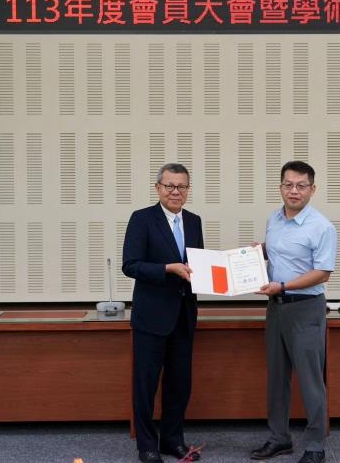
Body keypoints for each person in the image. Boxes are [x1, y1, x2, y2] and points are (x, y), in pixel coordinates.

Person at [250, 161, 337, 463]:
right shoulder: (274, 219)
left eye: (301, 185)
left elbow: (323, 273)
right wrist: (259, 251)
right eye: (288, 185)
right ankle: (279, 439)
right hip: (276, 308)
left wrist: (283, 286)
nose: (294, 191)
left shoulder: (322, 227)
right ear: (280, 187)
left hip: (306, 309)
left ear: (312, 189)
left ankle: (315, 446)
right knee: (277, 378)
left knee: (311, 380)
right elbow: (280, 250)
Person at [122, 163, 204, 463]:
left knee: (179, 384)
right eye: (169, 186)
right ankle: (147, 445)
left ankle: (172, 440)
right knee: (145, 385)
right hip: (151, 317)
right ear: (158, 188)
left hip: (184, 316)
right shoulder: (142, 219)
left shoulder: (194, 221)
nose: (175, 192)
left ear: (188, 190)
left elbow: (198, 265)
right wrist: (167, 269)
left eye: (181, 186)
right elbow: (131, 265)